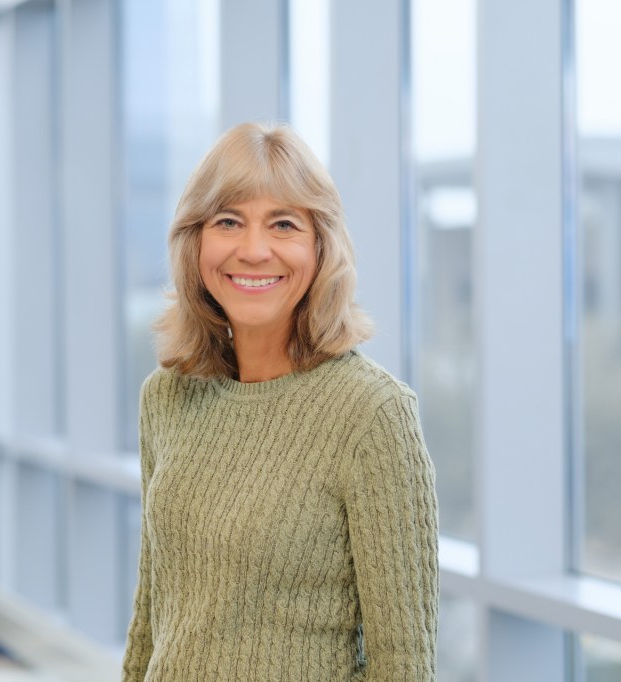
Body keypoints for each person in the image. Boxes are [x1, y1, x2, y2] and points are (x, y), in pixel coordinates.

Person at [121, 122, 438, 681]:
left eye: (284, 224)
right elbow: (153, 615)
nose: (254, 249)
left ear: (321, 247)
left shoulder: (371, 415)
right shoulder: (166, 397)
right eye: (228, 222)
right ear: (196, 242)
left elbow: (404, 668)